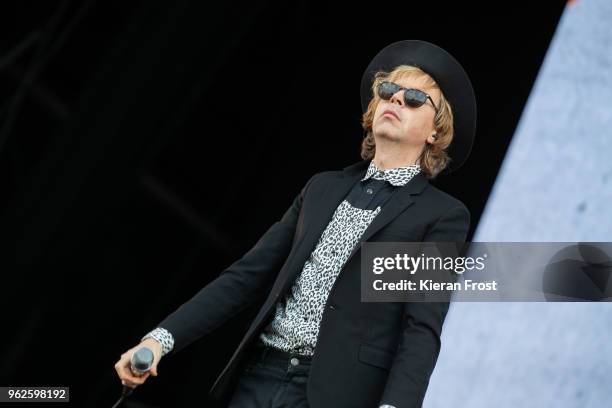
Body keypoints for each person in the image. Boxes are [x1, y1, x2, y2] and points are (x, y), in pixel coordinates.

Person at [114, 39, 477, 408]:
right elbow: (245, 277)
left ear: (436, 131)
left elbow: (421, 330)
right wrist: (159, 339)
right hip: (260, 375)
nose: (396, 99)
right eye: (388, 90)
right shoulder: (322, 187)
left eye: (415, 98)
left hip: (335, 395)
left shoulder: (442, 216)